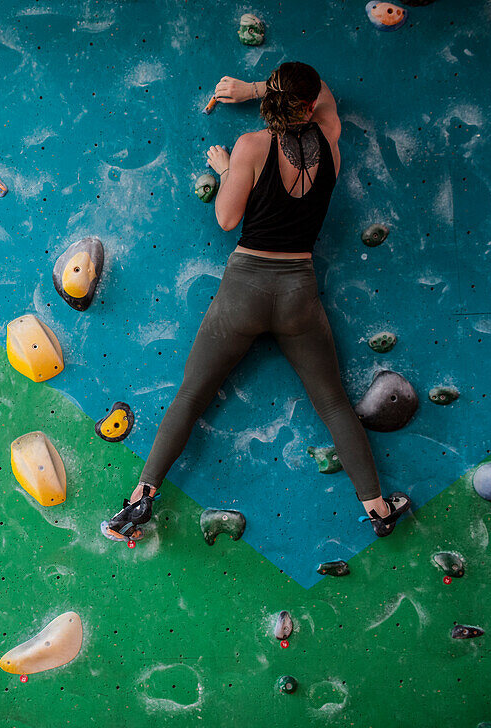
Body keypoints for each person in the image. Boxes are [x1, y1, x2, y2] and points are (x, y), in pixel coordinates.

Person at [101, 61, 411, 544]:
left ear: (272, 103)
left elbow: (227, 219)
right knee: (332, 404)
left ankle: (141, 498)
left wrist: (227, 169)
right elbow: (325, 91)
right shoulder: (331, 142)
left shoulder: (251, 146)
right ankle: (378, 508)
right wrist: (255, 88)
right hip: (298, 293)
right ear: (308, 107)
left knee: (190, 396)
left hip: (244, 289)